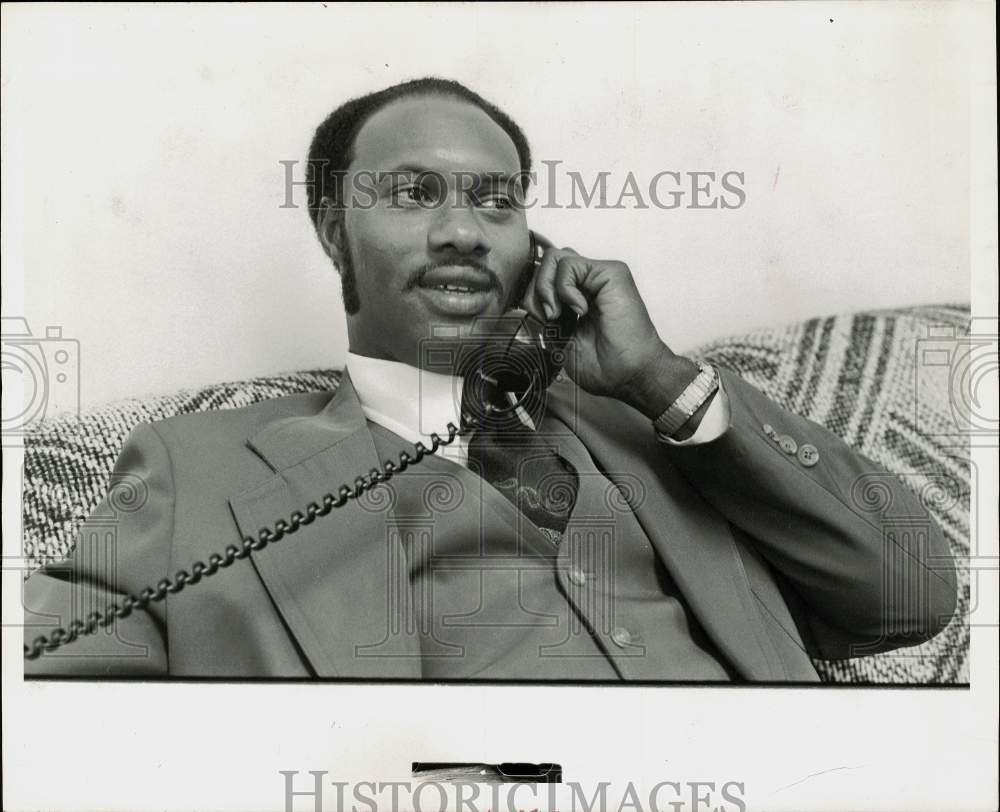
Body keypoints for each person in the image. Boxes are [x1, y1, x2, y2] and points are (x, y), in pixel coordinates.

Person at [23, 77, 956, 680]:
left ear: (533, 246)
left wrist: (660, 380)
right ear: (331, 231)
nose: (465, 231)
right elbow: (50, 723)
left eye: (496, 201)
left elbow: (911, 598)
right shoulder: (199, 469)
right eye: (414, 194)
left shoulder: (663, 428)